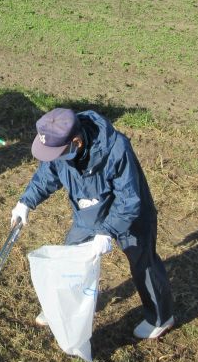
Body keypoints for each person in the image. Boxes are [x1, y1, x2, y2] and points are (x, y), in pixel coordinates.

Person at [11, 107, 174, 339]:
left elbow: (129, 199)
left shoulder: (116, 148)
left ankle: (160, 317)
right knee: (72, 257)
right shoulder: (58, 146)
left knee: (143, 261)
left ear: (76, 142)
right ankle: (67, 306)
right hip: (89, 209)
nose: (53, 156)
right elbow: (47, 174)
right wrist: (26, 201)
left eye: (57, 152)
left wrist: (108, 231)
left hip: (130, 212)